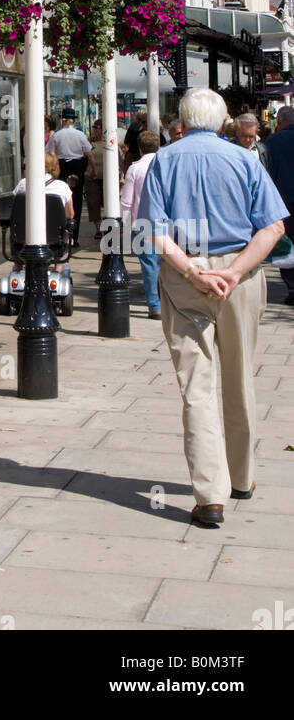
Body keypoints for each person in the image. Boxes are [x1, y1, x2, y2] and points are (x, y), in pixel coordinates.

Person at [137, 88, 287, 526]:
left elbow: (153, 231)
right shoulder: (244, 159)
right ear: (223, 123)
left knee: (195, 387)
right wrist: (236, 272)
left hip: (187, 277)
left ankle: (209, 494)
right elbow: (273, 226)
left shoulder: (165, 160)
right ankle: (241, 476)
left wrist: (192, 273)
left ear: (181, 120)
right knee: (240, 377)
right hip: (238, 276)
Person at [120, 130, 161, 318]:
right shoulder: (166, 165)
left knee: (149, 264)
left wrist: (123, 225)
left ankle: (155, 305)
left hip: (142, 223)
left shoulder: (135, 169)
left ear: (139, 148)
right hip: (167, 222)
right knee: (168, 264)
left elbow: (127, 201)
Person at [12, 151, 73, 271]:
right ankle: (58, 269)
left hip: (24, 236)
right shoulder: (62, 187)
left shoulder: (22, 184)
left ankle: (18, 267)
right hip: (54, 237)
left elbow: (15, 210)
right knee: (67, 232)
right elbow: (70, 214)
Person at [46, 108, 91, 247]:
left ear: (62, 120)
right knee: (76, 200)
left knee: (61, 198)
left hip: (62, 167)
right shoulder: (80, 135)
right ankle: (74, 237)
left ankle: (62, 235)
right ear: (74, 120)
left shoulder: (57, 136)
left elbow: (50, 153)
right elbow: (89, 154)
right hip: (77, 167)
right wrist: (93, 169)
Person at [264, 111, 294, 305]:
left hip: (283, 200)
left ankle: (292, 287)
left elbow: (269, 172)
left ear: (280, 122)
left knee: (287, 242)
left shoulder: (273, 142)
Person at [84, 119, 106, 239]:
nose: (96, 130)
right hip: (91, 176)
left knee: (107, 203)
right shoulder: (89, 143)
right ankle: (98, 229)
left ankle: (108, 226)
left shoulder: (110, 142)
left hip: (106, 177)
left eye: (98, 127)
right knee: (93, 203)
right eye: (94, 127)